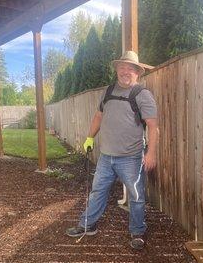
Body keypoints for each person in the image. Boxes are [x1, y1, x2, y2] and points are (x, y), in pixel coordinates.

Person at [66, 50, 158, 250]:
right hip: (106, 157)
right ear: (117, 69)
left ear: (137, 73)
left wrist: (151, 153)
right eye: (122, 68)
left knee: (136, 196)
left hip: (131, 158)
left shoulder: (142, 95)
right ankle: (87, 225)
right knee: (97, 191)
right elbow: (99, 116)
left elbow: (152, 126)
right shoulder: (108, 91)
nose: (125, 72)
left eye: (130, 69)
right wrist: (90, 137)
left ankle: (137, 231)